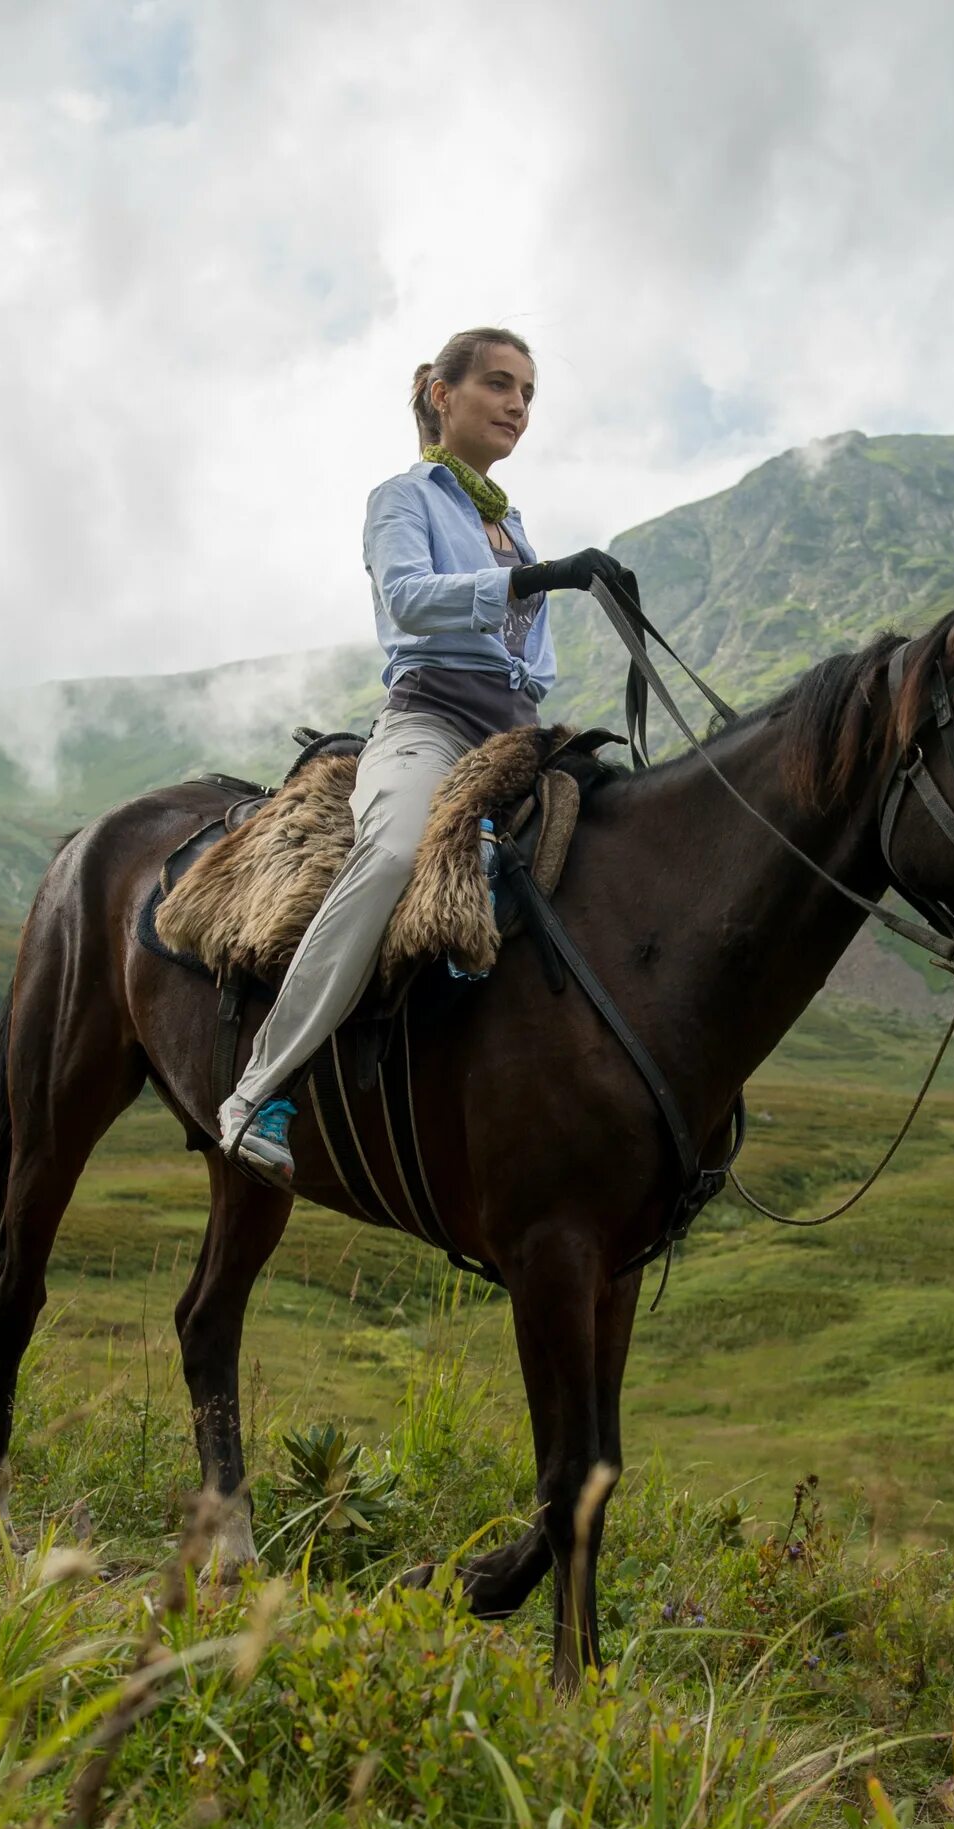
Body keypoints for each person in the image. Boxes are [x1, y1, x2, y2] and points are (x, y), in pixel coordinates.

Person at [216, 327, 637, 1187]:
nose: (518, 404)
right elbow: (407, 602)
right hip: (432, 720)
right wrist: (529, 581)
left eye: (527, 392)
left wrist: (546, 588)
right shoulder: (403, 499)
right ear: (442, 396)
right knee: (395, 854)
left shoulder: (509, 523)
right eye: (498, 384)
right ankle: (259, 1089)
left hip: (514, 733)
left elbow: (536, 664)